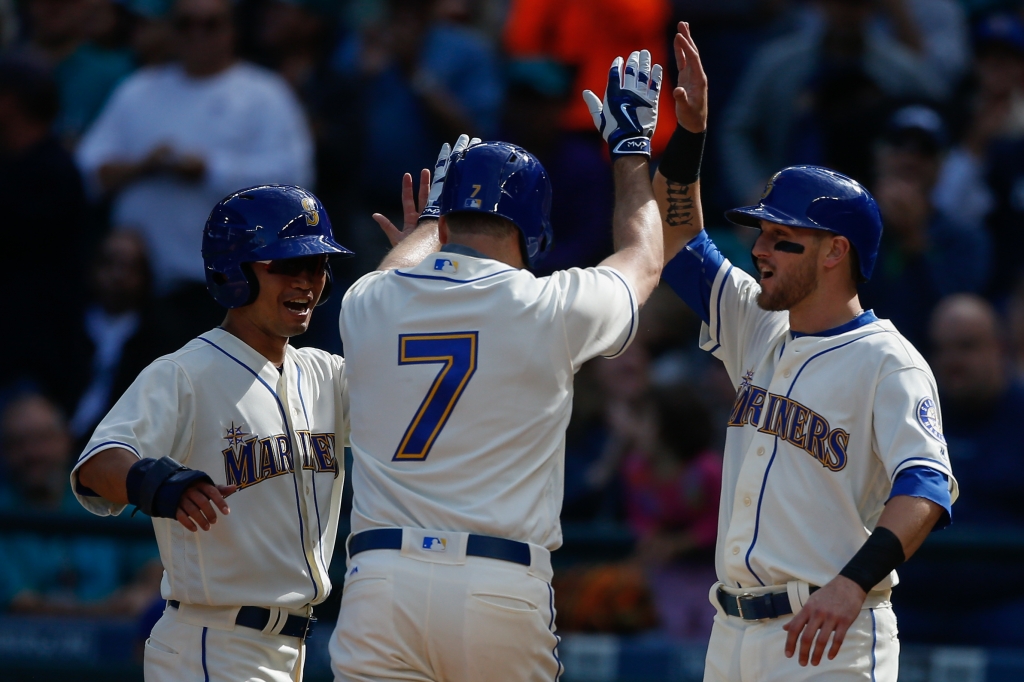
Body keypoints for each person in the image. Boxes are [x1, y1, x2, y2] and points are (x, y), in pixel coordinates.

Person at [329, 44, 682, 681]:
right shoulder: (548, 304)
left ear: (445, 218)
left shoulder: (368, 300)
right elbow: (643, 257)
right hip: (495, 582)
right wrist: (630, 152)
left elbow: (398, 267)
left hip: (378, 581)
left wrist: (426, 229)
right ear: (530, 232)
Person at [656, 23, 956, 681]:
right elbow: (681, 242)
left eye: (781, 237)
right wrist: (690, 135)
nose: (759, 249)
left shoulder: (888, 361)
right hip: (730, 635)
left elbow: (925, 487)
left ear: (834, 252)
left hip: (828, 639)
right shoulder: (758, 324)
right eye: (760, 234)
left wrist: (853, 582)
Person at [70, 185, 352, 682]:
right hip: (213, 643)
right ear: (234, 271)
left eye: (317, 265)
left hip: (291, 650)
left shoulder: (325, 374)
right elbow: (96, 466)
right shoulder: (184, 373)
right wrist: (156, 482)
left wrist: (414, 272)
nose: (309, 280)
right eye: (289, 264)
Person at [76, 0, 314, 344]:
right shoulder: (138, 90)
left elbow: (296, 182)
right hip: (137, 293)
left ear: (232, 29)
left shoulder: (265, 95)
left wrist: (210, 170)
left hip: (223, 294)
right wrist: (143, 166)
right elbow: (87, 169)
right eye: (186, 24)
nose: (197, 35)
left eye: (211, 25)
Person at [894, 294, 1024, 646]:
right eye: (942, 349)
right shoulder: (909, 419)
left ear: (1001, 348)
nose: (952, 361)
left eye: (967, 347)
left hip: (1003, 607)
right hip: (910, 605)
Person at [0, 392, 161, 617]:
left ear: (66, 439)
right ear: (4, 452)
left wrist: (144, 591)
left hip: (125, 642)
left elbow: (154, 564)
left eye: (42, 439)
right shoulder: (4, 511)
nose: (33, 453)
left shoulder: (104, 490)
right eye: (19, 443)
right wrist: (109, 612)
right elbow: (22, 605)